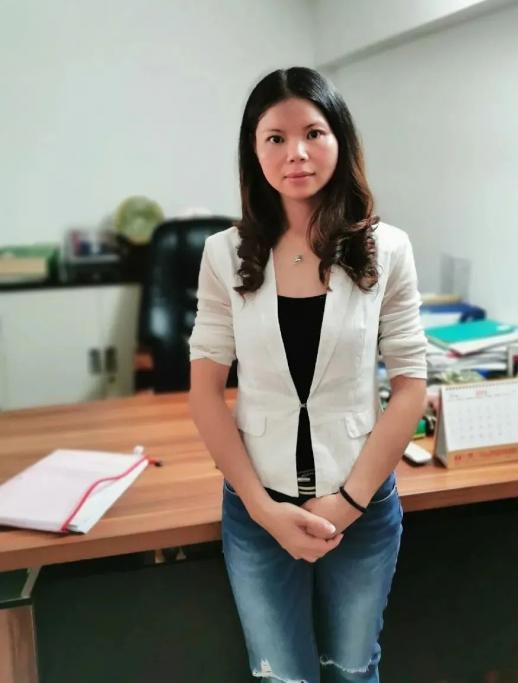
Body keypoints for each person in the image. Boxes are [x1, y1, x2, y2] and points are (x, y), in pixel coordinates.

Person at [188, 66, 427, 683]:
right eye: (275, 137)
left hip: (361, 500)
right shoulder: (223, 254)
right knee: (281, 676)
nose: (295, 152)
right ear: (254, 150)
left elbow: (410, 385)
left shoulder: (388, 249)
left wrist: (347, 503)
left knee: (353, 667)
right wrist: (262, 508)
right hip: (257, 505)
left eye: (313, 133)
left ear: (339, 140)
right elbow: (205, 393)